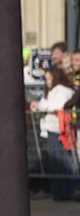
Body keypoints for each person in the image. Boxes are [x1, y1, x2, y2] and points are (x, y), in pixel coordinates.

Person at [31, 65, 79, 200]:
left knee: (61, 161)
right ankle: (58, 191)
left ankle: (64, 191)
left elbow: (59, 107)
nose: (47, 82)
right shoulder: (51, 91)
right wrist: (38, 106)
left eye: (49, 79)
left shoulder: (62, 90)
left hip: (59, 129)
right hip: (51, 128)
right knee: (55, 162)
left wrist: (42, 107)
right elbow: (45, 104)